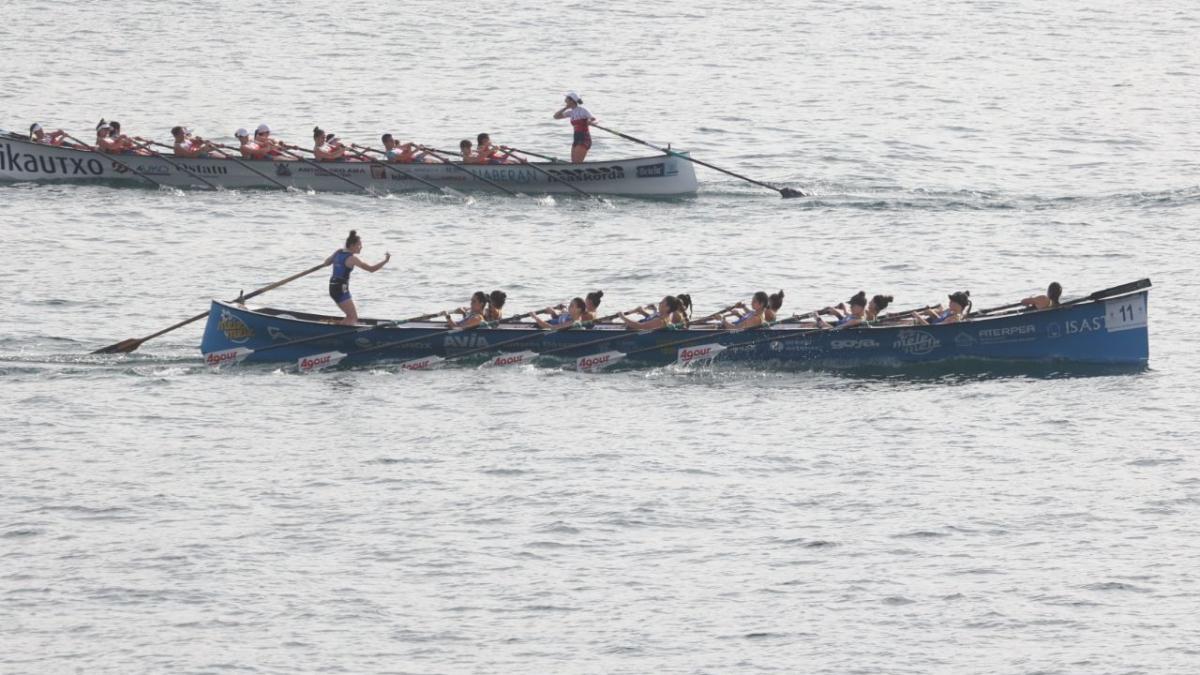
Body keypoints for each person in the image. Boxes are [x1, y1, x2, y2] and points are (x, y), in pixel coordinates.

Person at [324, 230, 391, 326]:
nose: (361, 247)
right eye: (359, 245)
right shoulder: (352, 259)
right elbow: (371, 269)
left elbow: (326, 263)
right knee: (353, 317)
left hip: (333, 287)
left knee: (350, 316)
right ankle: (341, 334)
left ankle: (338, 327)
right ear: (352, 246)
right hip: (340, 289)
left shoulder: (338, 252)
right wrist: (385, 261)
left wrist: (334, 255)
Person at [553, 91, 596, 163]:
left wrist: (591, 122)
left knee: (577, 163)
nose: (565, 100)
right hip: (576, 138)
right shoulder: (570, 112)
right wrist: (565, 108)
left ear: (572, 101)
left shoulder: (583, 110)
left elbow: (594, 119)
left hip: (584, 138)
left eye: (566, 98)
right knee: (574, 162)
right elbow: (556, 117)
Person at [621, 295, 690, 330]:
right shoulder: (664, 318)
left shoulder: (661, 321)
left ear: (667, 307)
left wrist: (622, 316)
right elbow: (649, 322)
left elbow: (640, 326)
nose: (659, 303)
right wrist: (643, 312)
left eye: (662, 302)